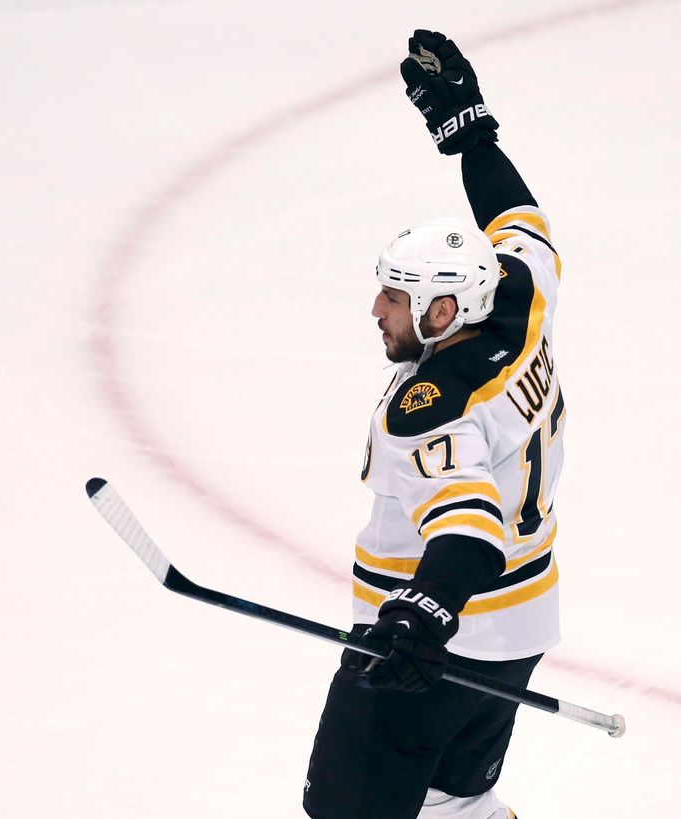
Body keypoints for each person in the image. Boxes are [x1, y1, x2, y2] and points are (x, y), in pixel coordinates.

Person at [303, 29, 564, 819]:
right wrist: (471, 132)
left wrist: (426, 613)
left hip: (434, 650)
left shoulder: (431, 407)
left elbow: (470, 521)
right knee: (458, 803)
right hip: (520, 628)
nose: (377, 310)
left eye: (395, 296)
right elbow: (518, 218)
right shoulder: (523, 297)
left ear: (443, 310)